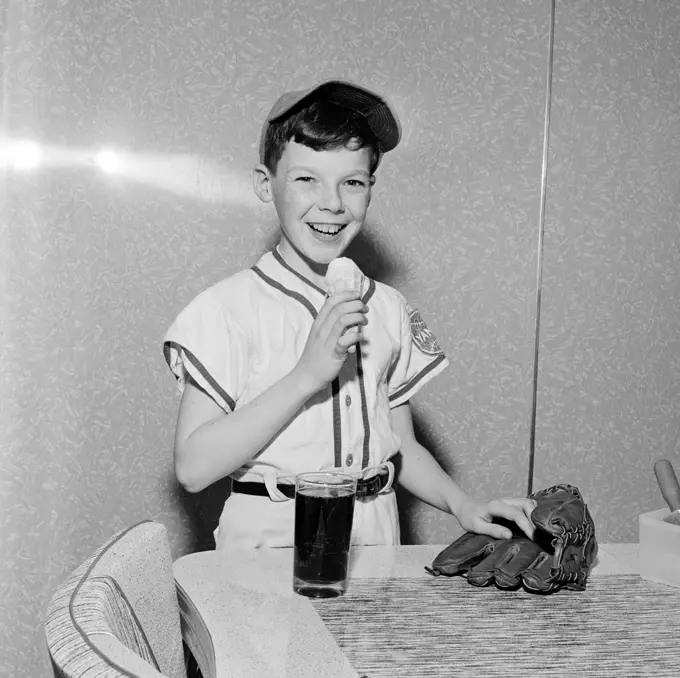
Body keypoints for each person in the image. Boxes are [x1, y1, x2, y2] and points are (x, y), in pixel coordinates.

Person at [163, 79, 536, 550]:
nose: (333, 203)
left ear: (370, 190)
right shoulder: (225, 309)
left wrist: (462, 504)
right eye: (306, 179)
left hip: (375, 539)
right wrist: (306, 375)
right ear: (266, 184)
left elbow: (401, 447)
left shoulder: (387, 307)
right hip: (270, 543)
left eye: (352, 182)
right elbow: (192, 468)